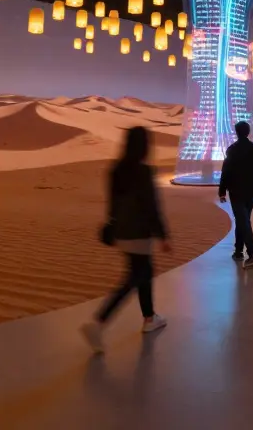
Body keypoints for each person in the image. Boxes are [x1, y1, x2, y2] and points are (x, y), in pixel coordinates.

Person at [81, 127, 170, 353]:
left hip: (122, 232)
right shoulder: (144, 171)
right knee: (134, 277)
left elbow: (112, 204)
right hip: (140, 233)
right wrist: (162, 235)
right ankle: (99, 323)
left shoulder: (116, 170)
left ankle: (150, 317)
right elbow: (152, 207)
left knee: (143, 272)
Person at [218, 121, 253, 268]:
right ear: (248, 132)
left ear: (236, 132)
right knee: (243, 219)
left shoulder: (232, 150)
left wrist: (222, 191)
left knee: (243, 220)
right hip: (251, 191)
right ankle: (238, 250)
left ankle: (251, 254)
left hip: (236, 191)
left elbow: (225, 172)